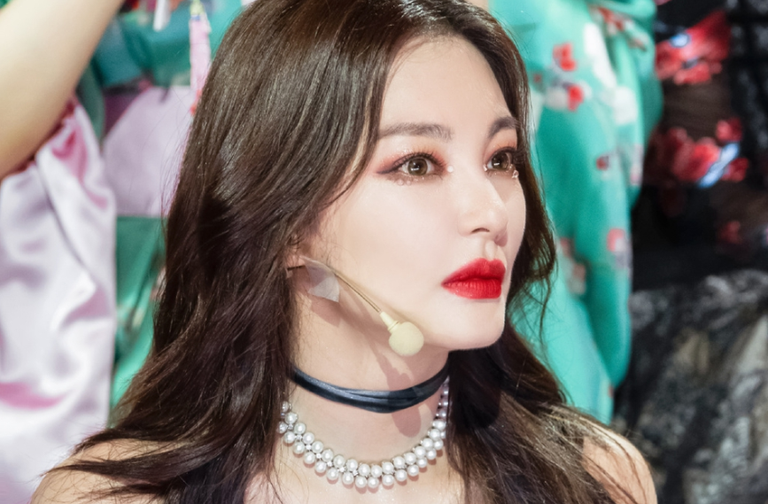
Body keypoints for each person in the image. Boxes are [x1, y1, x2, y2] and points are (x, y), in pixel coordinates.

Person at [31, 0, 656, 502]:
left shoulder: (596, 479)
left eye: (501, 159)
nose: (491, 213)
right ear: (284, 219)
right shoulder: (113, 496)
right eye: (417, 164)